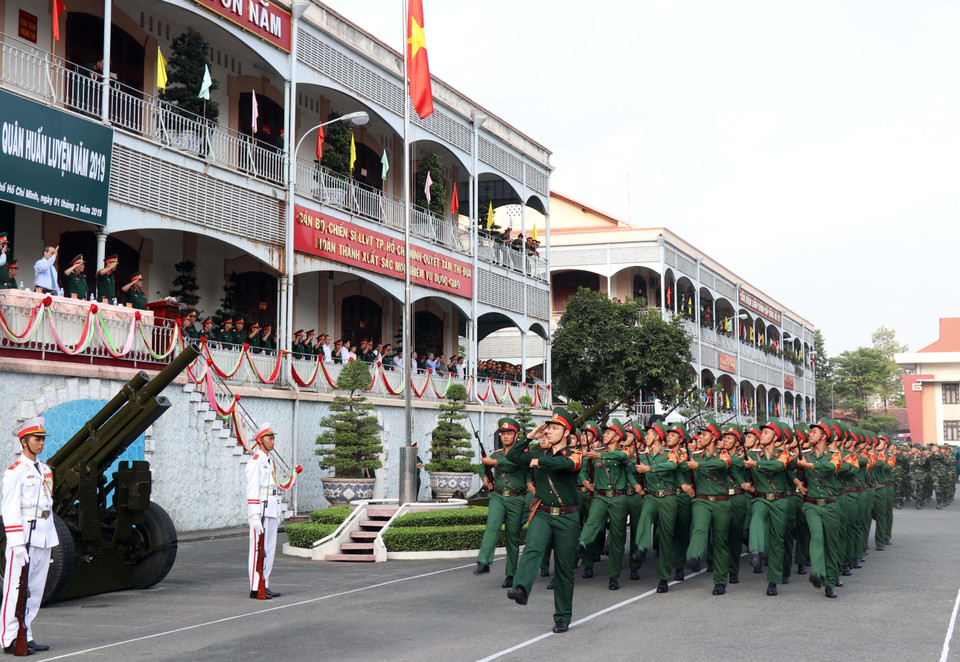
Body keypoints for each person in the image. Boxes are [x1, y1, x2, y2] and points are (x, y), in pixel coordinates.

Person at [506, 407, 582, 634]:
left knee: (564, 569)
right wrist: (529, 437)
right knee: (533, 547)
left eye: (555, 428)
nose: (549, 431)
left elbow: (566, 465)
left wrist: (539, 461)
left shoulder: (574, 454)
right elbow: (512, 456)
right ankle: (521, 587)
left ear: (566, 434)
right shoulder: (539, 453)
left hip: (568, 517)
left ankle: (562, 616)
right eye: (548, 427)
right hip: (543, 512)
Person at [1, 417, 58, 654]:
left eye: (43, 439)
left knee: (34, 590)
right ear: (24, 441)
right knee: (16, 588)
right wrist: (16, 544)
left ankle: (26, 632)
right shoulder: (15, 472)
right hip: (24, 536)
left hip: (43, 534)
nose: (41, 443)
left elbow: (48, 503)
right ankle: (8, 637)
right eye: (37, 439)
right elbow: (9, 508)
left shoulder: (45, 469)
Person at [794, 418, 849, 598]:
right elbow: (787, 468)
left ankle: (830, 581)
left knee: (831, 544)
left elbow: (830, 467)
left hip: (831, 505)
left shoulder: (834, 455)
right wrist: (798, 482)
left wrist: (808, 465)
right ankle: (817, 571)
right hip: (811, 504)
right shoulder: (804, 455)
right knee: (816, 535)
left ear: (824, 436)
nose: (811, 434)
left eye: (815, 432)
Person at [576, 418, 629, 590]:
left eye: (608, 432)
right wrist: (585, 482)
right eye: (604, 432)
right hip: (600, 496)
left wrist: (599, 455)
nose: (604, 434)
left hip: (618, 498)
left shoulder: (623, 452)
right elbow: (583, 470)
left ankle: (613, 575)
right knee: (592, 522)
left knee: (617, 537)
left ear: (616, 437)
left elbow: (621, 457)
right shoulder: (595, 452)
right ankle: (582, 545)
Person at [682, 417, 733, 595]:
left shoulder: (723, 454)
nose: (699, 438)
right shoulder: (694, 456)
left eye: (703, 435)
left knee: (720, 543)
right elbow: (681, 470)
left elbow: (722, 464)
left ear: (713, 438)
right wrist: (683, 484)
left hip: (721, 503)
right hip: (701, 500)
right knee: (700, 528)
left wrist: (699, 465)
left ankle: (720, 582)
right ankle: (694, 556)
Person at [476, 418, 528, 588]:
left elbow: (515, 462)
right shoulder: (496, 453)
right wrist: (485, 477)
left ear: (516, 435)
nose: (505, 436)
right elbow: (483, 466)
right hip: (498, 496)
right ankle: (484, 561)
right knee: (493, 526)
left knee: (512, 537)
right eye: (503, 433)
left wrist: (494, 463)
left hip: (516, 498)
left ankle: (511, 574)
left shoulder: (522, 453)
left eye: (509, 433)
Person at [742, 419, 792, 596]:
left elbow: (779, 466)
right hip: (761, 498)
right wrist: (744, 483)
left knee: (777, 542)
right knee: (756, 515)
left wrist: (757, 465)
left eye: (765, 433)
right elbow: (738, 469)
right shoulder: (753, 455)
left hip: (780, 500)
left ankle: (773, 581)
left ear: (775, 437)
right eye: (761, 433)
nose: (761, 435)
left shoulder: (784, 454)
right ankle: (755, 551)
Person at [632, 416, 679, 593]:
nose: (645, 437)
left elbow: (672, 466)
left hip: (668, 497)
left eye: (649, 434)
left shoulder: (670, 453)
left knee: (666, 539)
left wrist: (649, 469)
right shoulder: (643, 455)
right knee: (645, 515)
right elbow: (630, 468)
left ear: (657, 436)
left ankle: (663, 578)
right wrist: (636, 482)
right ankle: (642, 547)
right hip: (651, 495)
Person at [246, 423, 283, 600]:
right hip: (260, 512)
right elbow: (252, 491)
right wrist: (254, 516)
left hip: (271, 510)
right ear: (260, 440)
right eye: (269, 438)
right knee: (257, 550)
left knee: (269, 549)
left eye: (273, 438)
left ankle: (265, 584)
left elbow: (274, 489)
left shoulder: (269, 461)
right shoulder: (255, 463)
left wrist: (279, 511)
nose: (273, 441)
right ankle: (255, 587)